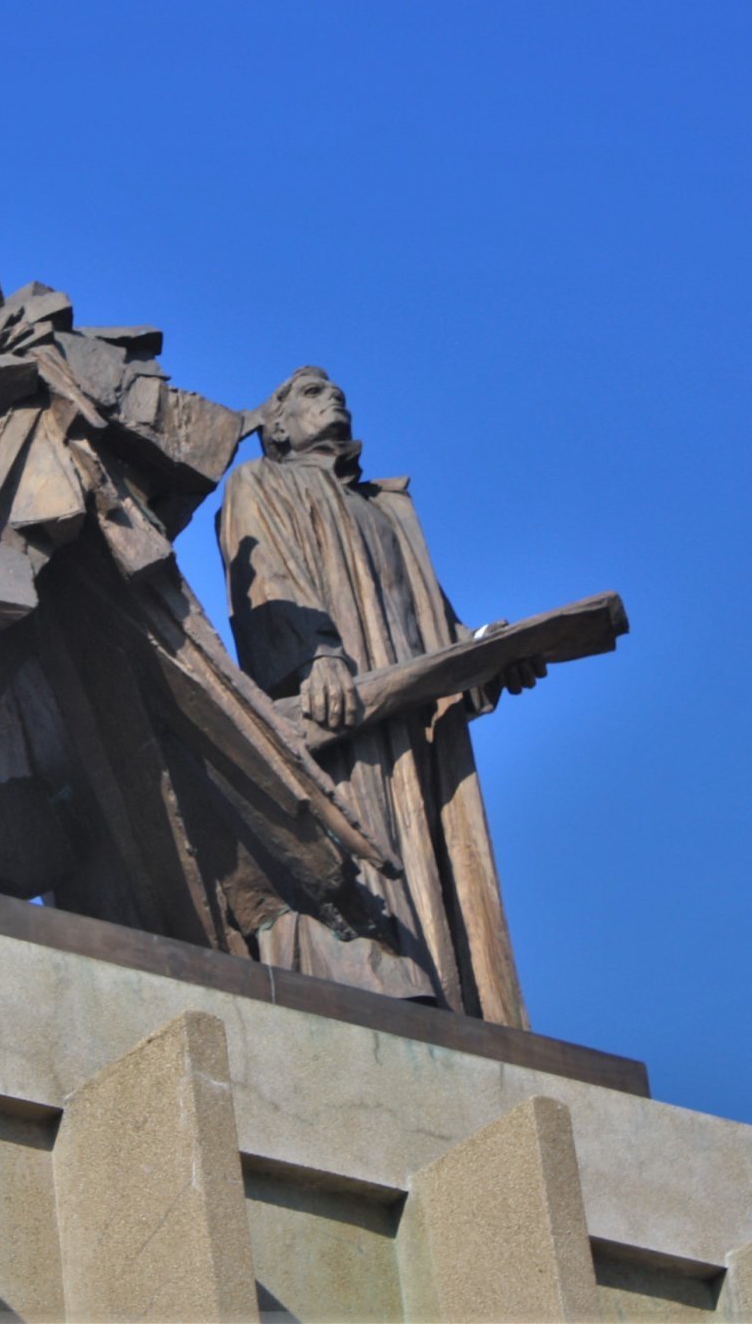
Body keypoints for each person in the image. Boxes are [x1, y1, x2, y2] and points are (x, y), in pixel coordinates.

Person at [215, 366, 538, 1021]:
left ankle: (444, 992)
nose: (332, 396)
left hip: (410, 726)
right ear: (274, 424)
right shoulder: (260, 482)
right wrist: (315, 659)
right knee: (353, 840)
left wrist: (483, 658)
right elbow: (265, 582)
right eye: (309, 391)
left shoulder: (387, 509)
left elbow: (431, 619)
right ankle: (367, 977)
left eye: (336, 391)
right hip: (337, 710)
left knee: (428, 855)